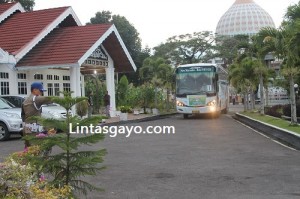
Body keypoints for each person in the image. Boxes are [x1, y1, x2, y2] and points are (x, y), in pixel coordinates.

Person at [22, 82, 52, 147]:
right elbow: (50, 99)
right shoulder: (35, 99)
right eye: (40, 91)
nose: (41, 93)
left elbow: (23, 116)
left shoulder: (25, 101)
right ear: (34, 90)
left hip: (27, 127)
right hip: (34, 128)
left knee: (28, 148)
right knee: (35, 148)